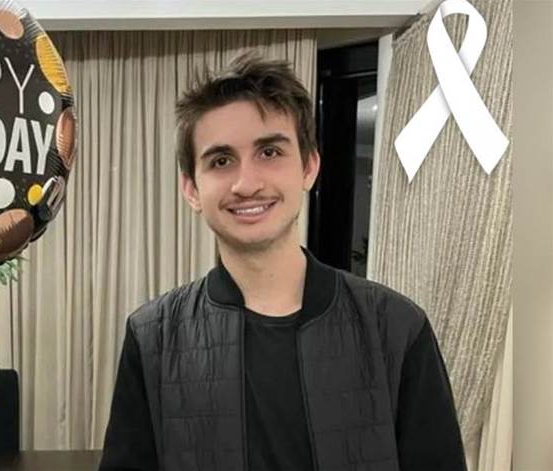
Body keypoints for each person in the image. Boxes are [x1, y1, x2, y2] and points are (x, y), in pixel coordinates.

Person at [98, 51, 466, 471]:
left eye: (269, 152)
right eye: (221, 161)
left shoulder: (396, 328)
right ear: (191, 189)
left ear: (309, 166)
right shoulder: (153, 337)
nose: (246, 184)